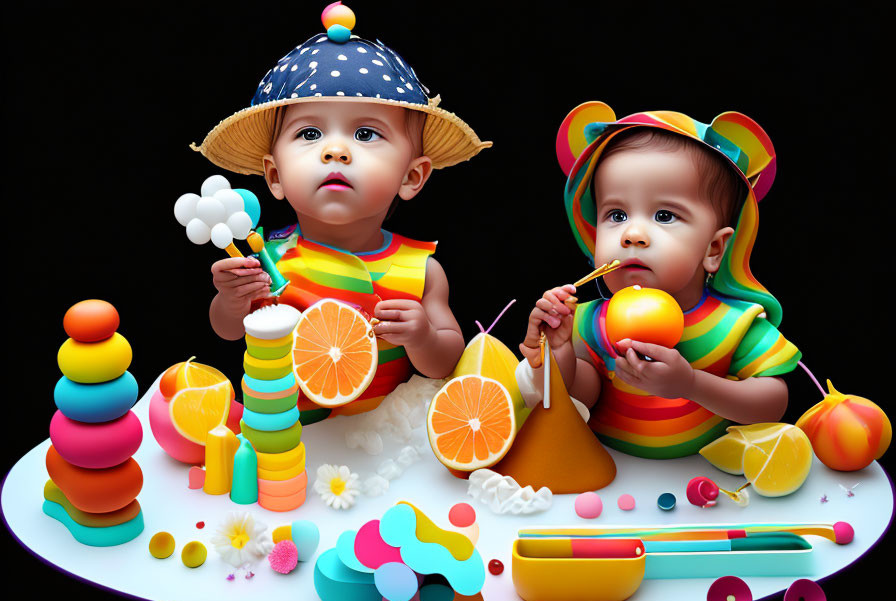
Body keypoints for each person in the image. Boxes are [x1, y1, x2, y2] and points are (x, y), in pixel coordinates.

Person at [191, 5, 490, 424]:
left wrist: (422, 336)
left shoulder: (420, 270)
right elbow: (228, 330)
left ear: (412, 176)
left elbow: (444, 362)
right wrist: (230, 299)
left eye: (365, 134)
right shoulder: (267, 260)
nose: (335, 151)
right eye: (310, 134)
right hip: (289, 439)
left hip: (382, 444)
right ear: (275, 176)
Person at [520, 102, 801, 458]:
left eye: (665, 215)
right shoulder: (590, 322)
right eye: (617, 214)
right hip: (611, 471)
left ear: (714, 248)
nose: (632, 234)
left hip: (703, 478)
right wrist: (557, 352)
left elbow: (772, 404)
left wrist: (691, 384)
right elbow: (581, 396)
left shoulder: (736, 324)